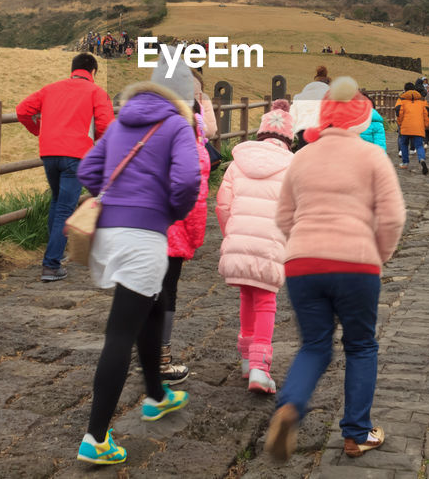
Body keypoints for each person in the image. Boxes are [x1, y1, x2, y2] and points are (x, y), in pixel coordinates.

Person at [264, 77, 407, 462]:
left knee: (314, 345)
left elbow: (283, 216)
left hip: (302, 264)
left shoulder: (302, 156)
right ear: (361, 120)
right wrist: (379, 253)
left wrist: (305, 244)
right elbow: (392, 217)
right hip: (357, 263)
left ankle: (290, 405)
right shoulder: (372, 156)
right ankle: (356, 434)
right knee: (361, 346)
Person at [73, 75, 202, 465]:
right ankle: (96, 438)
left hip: (109, 232)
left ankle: (157, 396)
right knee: (119, 333)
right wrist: (169, 212)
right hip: (142, 237)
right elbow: (187, 180)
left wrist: (113, 201)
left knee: (154, 301)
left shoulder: (119, 123)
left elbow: (88, 170)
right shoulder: (177, 125)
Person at [214, 100, 296, 395]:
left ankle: (248, 359)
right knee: (266, 301)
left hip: (238, 240)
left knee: (247, 296)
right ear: (289, 138)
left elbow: (222, 204)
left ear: (261, 133)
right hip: (271, 245)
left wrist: (231, 235)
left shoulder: (238, 163)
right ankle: (261, 368)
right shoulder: (292, 166)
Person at [16, 52, 114, 282]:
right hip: (76, 155)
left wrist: (40, 131)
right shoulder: (96, 92)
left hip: (49, 153)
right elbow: (106, 125)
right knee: (65, 208)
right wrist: (92, 141)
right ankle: (51, 265)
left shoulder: (50, 89)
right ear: (93, 72)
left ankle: (55, 255)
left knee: (57, 201)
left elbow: (22, 111)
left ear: (72, 69)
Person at [152, 59, 210, 385]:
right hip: (172, 229)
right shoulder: (188, 135)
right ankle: (160, 359)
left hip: (138, 224)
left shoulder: (139, 120)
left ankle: (142, 349)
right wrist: (194, 239)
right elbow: (195, 196)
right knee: (166, 292)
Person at [393, 81, 429, 174]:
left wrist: (400, 124)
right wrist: (425, 125)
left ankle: (405, 162)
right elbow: (427, 114)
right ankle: (421, 159)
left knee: (404, 144)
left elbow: (399, 114)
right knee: (419, 145)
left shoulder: (402, 100)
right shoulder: (422, 101)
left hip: (405, 127)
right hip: (418, 127)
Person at [290, 67, 331, 148]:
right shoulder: (331, 96)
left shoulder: (300, 97)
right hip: (324, 132)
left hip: (303, 132)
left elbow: (292, 117)